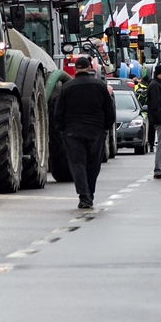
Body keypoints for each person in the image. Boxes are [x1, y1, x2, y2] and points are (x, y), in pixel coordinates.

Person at [55, 56, 116, 208]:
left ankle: (84, 197)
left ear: (75, 69)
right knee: (93, 164)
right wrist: (105, 128)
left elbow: (58, 112)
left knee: (77, 164)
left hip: (72, 131)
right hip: (96, 130)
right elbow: (109, 110)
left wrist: (62, 129)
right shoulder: (100, 86)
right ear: (90, 68)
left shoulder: (67, 87)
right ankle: (91, 193)